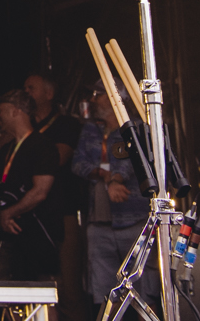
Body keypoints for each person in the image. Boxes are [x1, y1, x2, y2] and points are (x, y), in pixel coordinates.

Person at [72, 88, 155, 308]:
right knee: (105, 294)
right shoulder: (91, 129)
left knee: (144, 291)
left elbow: (135, 161)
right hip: (100, 223)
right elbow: (77, 163)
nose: (92, 99)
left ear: (115, 97)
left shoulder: (137, 127)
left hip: (134, 220)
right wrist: (104, 175)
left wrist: (116, 179)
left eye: (98, 94)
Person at [25, 71, 87, 321]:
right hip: (30, 217)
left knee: (68, 286)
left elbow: (58, 158)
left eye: (31, 88)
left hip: (63, 214)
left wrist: (25, 155)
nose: (26, 93)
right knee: (38, 287)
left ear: (49, 93)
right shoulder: (24, 126)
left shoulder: (66, 125)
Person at [0, 89, 60, 287]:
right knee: (6, 293)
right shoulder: (6, 150)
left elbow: (40, 192)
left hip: (38, 236)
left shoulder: (43, 146)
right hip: (10, 237)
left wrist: (8, 213)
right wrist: (0, 215)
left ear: (15, 111)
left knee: (41, 294)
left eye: (0, 110)